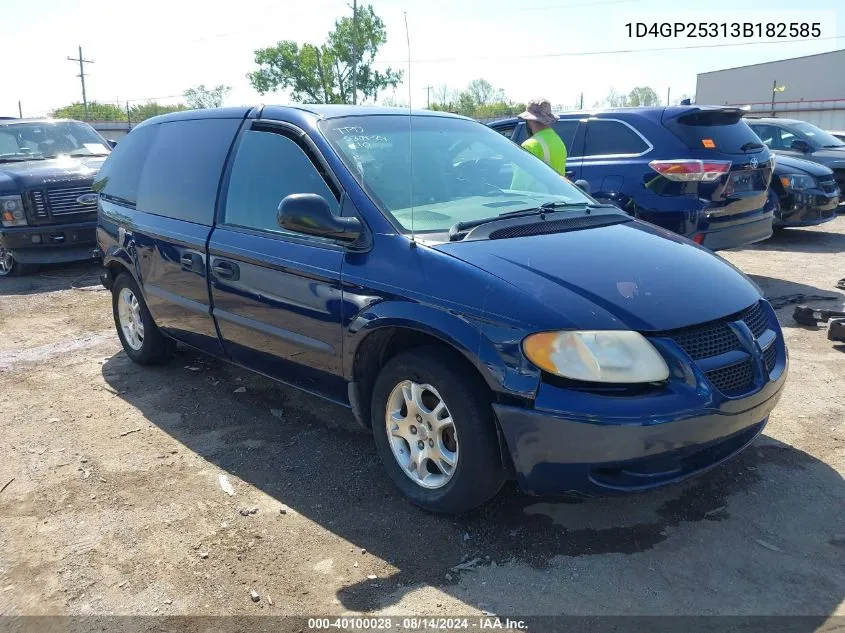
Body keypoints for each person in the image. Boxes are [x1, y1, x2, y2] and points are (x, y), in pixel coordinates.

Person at [518, 98, 567, 176]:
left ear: (529, 119)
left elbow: (520, 182)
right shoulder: (558, 141)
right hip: (556, 188)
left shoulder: (529, 145)